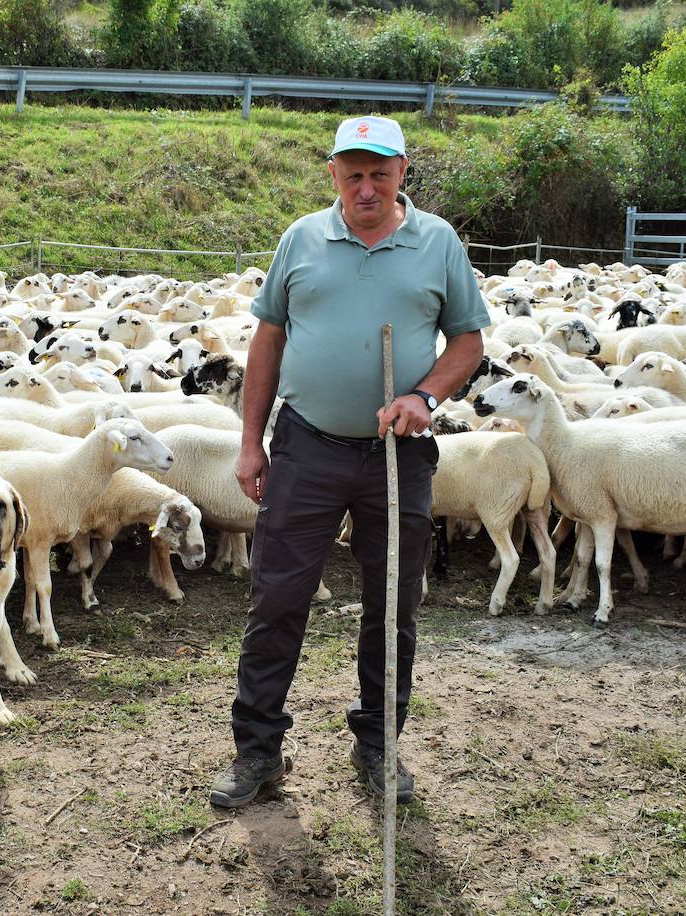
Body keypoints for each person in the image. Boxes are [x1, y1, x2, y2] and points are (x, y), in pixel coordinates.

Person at [208, 115, 490, 809]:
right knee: (277, 599)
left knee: (393, 605)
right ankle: (258, 753)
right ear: (333, 173)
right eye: (353, 173)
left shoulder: (438, 244)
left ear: (402, 175)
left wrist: (426, 394)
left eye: (380, 173)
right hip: (308, 445)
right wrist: (252, 440)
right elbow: (268, 340)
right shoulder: (301, 240)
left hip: (400, 454)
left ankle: (377, 744)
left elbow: (468, 343)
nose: (367, 187)